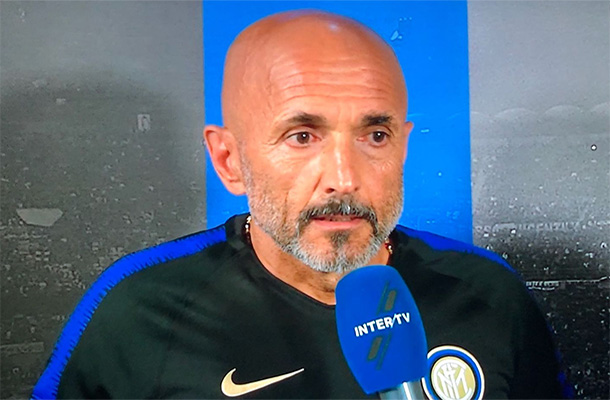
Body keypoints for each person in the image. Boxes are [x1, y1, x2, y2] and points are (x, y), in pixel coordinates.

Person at [32, 10, 567, 400]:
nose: (343, 179)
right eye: (303, 136)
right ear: (229, 161)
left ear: (403, 147)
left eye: (375, 136)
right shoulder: (138, 310)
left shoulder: (489, 295)